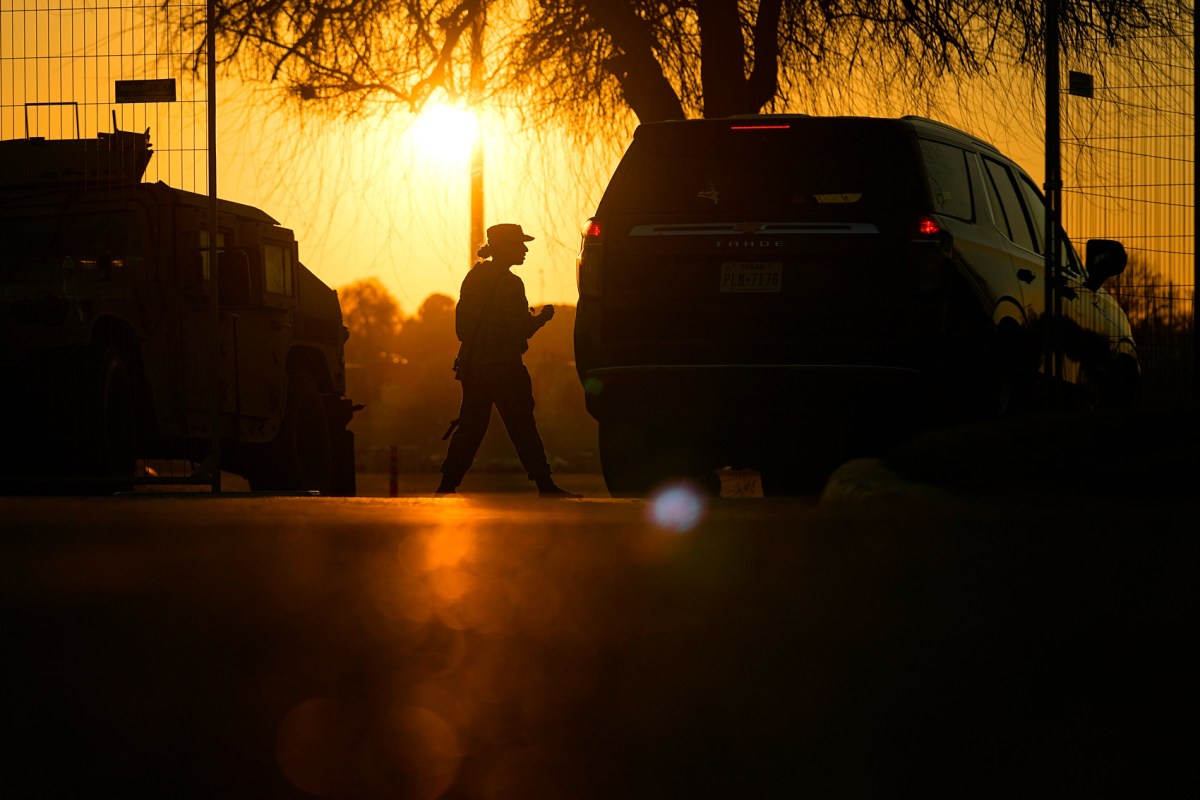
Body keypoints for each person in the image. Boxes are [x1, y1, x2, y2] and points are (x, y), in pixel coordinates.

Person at [437, 223, 580, 498]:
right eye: (519, 244)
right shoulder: (511, 283)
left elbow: (461, 329)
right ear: (505, 248)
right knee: (522, 425)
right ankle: (545, 484)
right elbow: (519, 329)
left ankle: (447, 484)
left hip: (474, 367)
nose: (525, 249)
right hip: (504, 367)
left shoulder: (473, 277)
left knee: (471, 427)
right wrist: (542, 319)